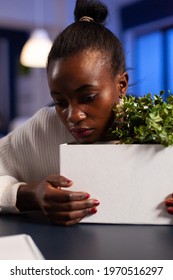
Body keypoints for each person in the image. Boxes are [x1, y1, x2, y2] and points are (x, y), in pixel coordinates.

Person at [0, 0, 172, 226]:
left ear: (121, 85)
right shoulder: (42, 127)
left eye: (88, 98)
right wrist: (29, 194)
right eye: (60, 101)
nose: (73, 116)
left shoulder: (163, 125)